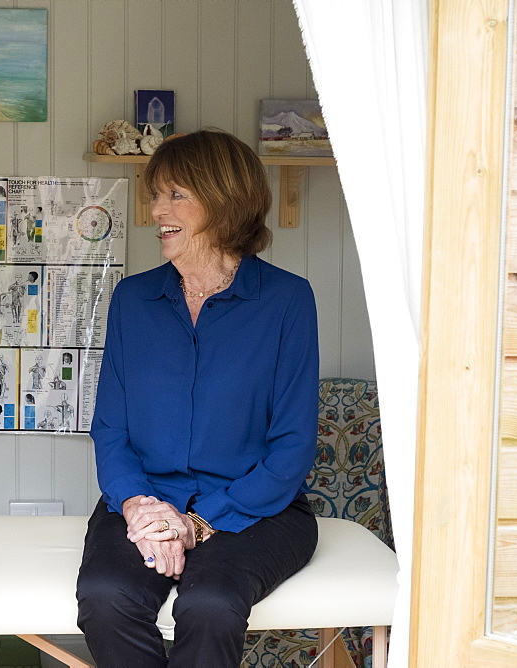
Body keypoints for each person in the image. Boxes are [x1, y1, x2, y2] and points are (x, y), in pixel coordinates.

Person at [76, 129, 319, 666]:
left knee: (209, 603)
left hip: (258, 509)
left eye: (175, 195)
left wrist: (200, 523)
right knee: (106, 598)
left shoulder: (286, 300)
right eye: (156, 194)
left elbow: (293, 446)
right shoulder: (134, 299)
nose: (155, 209)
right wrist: (139, 505)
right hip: (146, 499)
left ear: (224, 203)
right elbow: (111, 428)